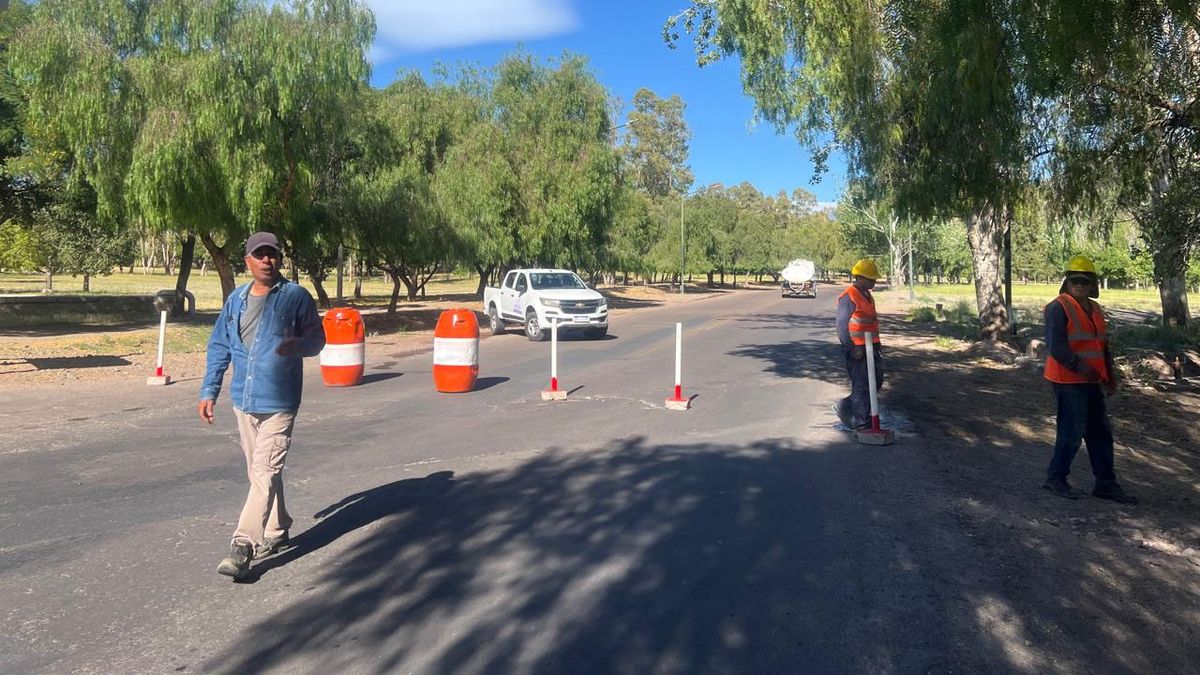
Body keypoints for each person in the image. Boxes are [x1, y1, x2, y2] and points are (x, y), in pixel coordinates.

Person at [199, 232, 326, 580]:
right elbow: (220, 347)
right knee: (261, 472)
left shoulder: (296, 297)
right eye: (260, 255)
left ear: (279, 260)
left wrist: (295, 344)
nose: (266, 260)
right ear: (248, 261)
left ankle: (243, 546)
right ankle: (277, 527)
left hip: (280, 400)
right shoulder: (236, 300)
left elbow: (318, 340)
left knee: (264, 472)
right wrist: (209, 391)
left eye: (272, 254)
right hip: (244, 398)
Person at [1042, 255, 1137, 504]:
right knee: (1072, 431)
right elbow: (1057, 348)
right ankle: (1056, 478)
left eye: (1085, 280)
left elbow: (1100, 346)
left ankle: (1106, 484)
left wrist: (1109, 375)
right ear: (1067, 281)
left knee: (1100, 433)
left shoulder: (1095, 309)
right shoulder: (1058, 307)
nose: (1080, 284)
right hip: (1067, 380)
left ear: (1093, 283)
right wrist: (1083, 369)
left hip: (1091, 380)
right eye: (1075, 280)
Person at [835, 259, 884, 430]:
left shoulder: (868, 296)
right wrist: (851, 348)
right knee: (862, 385)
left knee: (876, 381)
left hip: (872, 347)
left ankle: (847, 406)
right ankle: (862, 423)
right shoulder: (849, 297)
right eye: (871, 279)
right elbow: (841, 326)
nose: (874, 282)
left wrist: (878, 346)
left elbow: (870, 323)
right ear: (860, 278)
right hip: (857, 349)